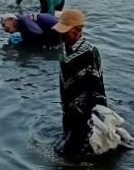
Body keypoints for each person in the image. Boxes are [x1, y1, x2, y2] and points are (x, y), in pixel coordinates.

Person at [53, 9, 107, 158]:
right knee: (67, 145)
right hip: (68, 108)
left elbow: (97, 86)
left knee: (73, 154)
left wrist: (98, 114)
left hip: (84, 112)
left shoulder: (90, 52)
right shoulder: (64, 49)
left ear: (78, 30)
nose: (62, 34)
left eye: (66, 31)